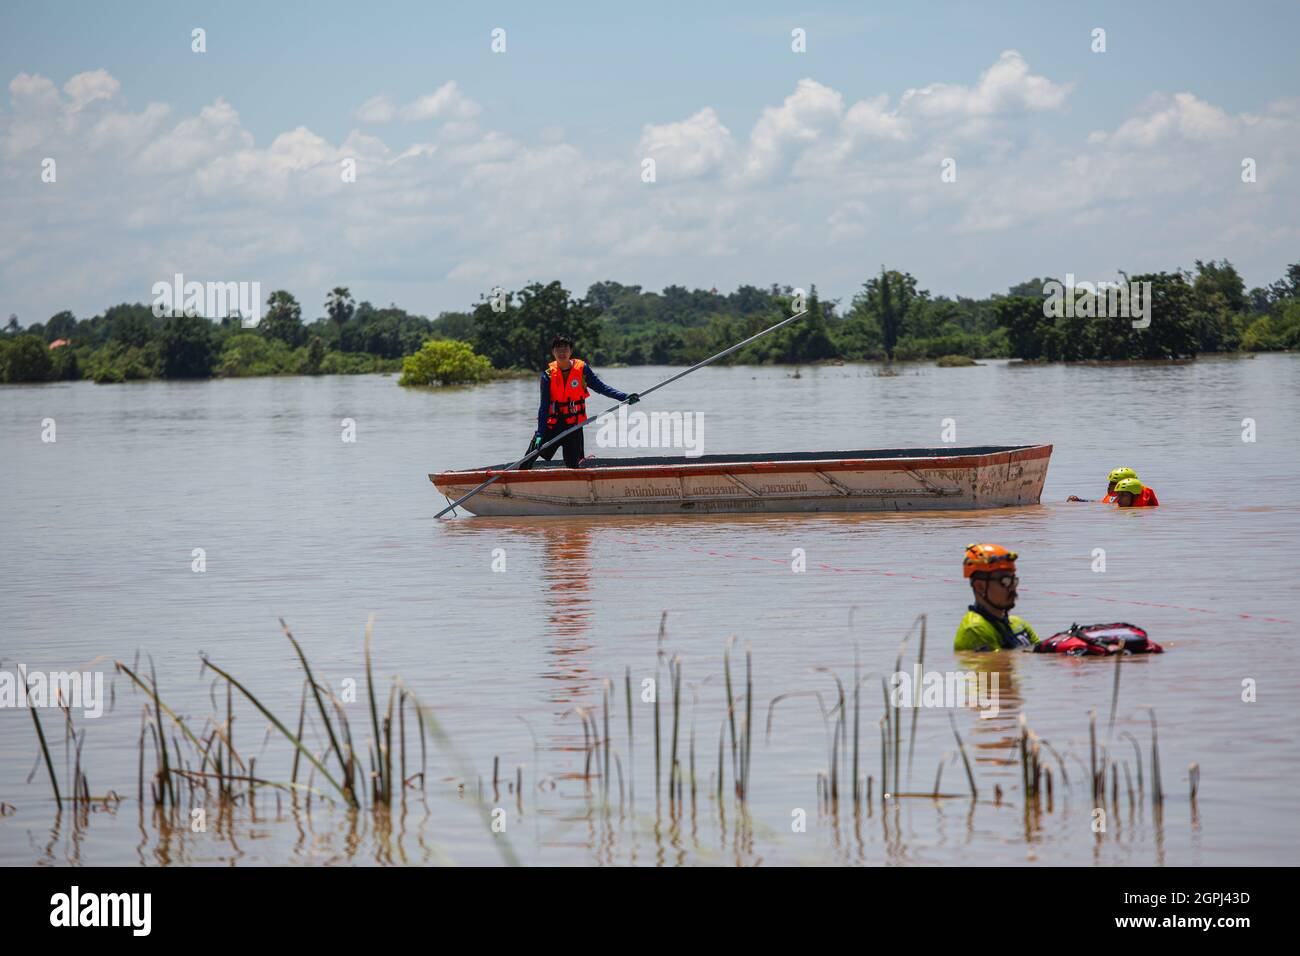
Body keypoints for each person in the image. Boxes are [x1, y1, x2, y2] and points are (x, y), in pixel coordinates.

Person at [519, 334, 639, 470]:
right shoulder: (547, 376)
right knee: (530, 454)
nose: (562, 353)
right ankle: (515, 479)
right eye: (558, 349)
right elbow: (544, 407)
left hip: (573, 425)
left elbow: (601, 388)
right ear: (553, 352)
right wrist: (540, 433)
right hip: (552, 425)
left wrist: (624, 397)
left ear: (571, 351)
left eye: (565, 349)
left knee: (573, 465)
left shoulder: (582, 369)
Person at [953, 544, 1040, 652]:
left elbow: (1042, 654)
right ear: (979, 587)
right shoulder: (975, 629)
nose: (1012, 587)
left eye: (1014, 580)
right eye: (1005, 581)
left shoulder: (1018, 624)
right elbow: (998, 665)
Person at [1067, 466, 1136, 503]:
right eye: (1110, 482)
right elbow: (1100, 503)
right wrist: (1080, 500)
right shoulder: (1112, 497)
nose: (1109, 485)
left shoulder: (1126, 501)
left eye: (1113, 483)